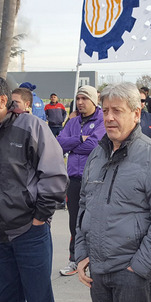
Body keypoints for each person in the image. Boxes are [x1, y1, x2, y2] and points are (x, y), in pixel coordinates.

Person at [75, 83, 151, 302]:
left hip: (132, 272)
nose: (109, 118)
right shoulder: (97, 154)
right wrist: (82, 252)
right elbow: (85, 205)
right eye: (105, 111)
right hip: (98, 270)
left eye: (117, 111)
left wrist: (139, 268)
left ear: (136, 114)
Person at [0, 75, 68, 302]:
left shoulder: (31, 127)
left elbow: (54, 174)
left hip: (30, 232)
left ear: (2, 100)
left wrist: (40, 218)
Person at [56, 85, 105, 276]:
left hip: (94, 179)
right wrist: (79, 138)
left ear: (93, 101)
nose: (80, 102)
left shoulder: (102, 120)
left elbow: (94, 145)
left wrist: (73, 145)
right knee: (74, 221)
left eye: (84, 98)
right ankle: (74, 260)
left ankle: (96, 261)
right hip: (74, 180)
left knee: (94, 221)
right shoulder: (73, 122)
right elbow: (59, 143)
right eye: (78, 98)